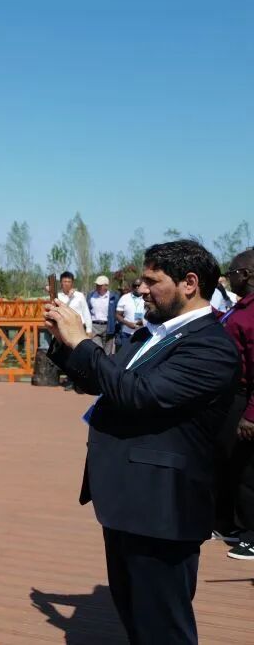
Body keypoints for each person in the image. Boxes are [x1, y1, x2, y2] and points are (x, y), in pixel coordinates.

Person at [44, 240, 239, 644]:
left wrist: (83, 342)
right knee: (134, 616)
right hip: (127, 499)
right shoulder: (148, 335)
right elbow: (103, 381)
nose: (141, 289)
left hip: (163, 506)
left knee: (163, 627)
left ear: (189, 283)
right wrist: (64, 343)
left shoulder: (210, 346)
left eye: (152, 281)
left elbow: (138, 394)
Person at [211, 249, 254, 559]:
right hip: (232, 397)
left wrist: (251, 414)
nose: (229, 278)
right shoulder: (241, 308)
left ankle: (252, 534)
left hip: (246, 399)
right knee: (230, 462)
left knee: (248, 471)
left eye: (232, 273)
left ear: (247, 274)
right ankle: (231, 524)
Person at [87, 276, 119, 355]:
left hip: (109, 326)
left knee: (107, 352)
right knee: (98, 350)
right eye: (97, 285)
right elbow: (87, 311)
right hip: (94, 326)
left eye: (100, 285)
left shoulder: (114, 297)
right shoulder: (91, 295)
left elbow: (117, 312)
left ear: (106, 286)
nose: (97, 286)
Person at [57, 271, 93, 335]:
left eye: (69, 282)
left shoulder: (79, 295)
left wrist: (89, 329)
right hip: (64, 329)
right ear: (61, 283)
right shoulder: (58, 296)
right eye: (65, 281)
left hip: (80, 327)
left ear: (72, 283)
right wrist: (69, 298)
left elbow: (86, 312)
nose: (67, 284)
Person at [114, 278, 146, 349]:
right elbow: (117, 315)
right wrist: (128, 324)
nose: (137, 287)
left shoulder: (148, 297)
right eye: (135, 285)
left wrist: (143, 321)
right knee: (125, 354)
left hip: (143, 333)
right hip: (126, 333)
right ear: (132, 287)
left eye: (139, 285)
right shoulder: (125, 298)